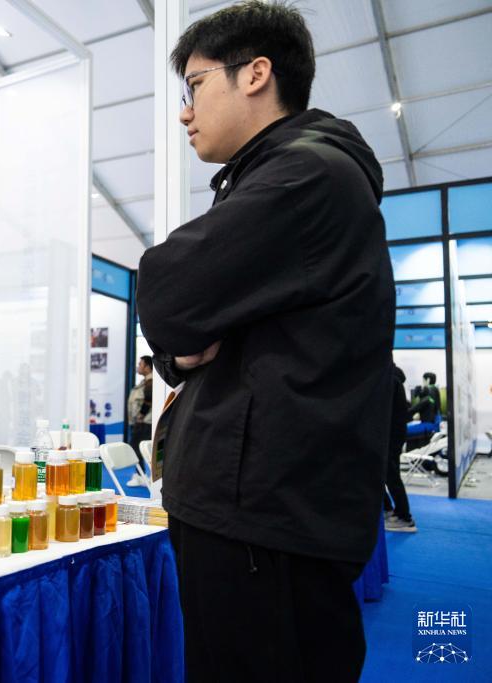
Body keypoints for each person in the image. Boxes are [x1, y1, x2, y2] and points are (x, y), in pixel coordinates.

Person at [135, 3, 394, 681]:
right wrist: (183, 348)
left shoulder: (306, 177)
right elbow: (179, 332)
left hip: (262, 524)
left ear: (254, 74)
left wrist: (184, 333)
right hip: (257, 515)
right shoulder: (281, 178)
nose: (185, 112)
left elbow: (163, 289)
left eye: (194, 86)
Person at [385, 363, 415, 532]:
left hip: (391, 435)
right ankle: (391, 510)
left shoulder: (390, 379)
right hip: (394, 434)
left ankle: (405, 517)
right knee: (386, 474)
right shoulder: (393, 378)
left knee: (391, 476)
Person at [126, 355, 154, 485]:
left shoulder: (150, 382)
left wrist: (141, 415)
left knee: (137, 448)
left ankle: (140, 476)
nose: (138, 367)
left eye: (140, 364)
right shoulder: (145, 382)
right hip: (142, 422)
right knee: (138, 448)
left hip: (144, 422)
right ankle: (142, 475)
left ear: (148, 367)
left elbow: (148, 400)